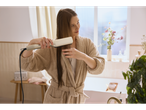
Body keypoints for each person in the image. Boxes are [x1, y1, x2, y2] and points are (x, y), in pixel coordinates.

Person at [21, 8, 105, 104]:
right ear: (64, 27)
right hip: (56, 98)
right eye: (73, 25)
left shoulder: (87, 43)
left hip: (77, 98)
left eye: (78, 22)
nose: (77, 27)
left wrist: (83, 56)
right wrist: (31, 43)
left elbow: (99, 67)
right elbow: (27, 64)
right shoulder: (52, 47)